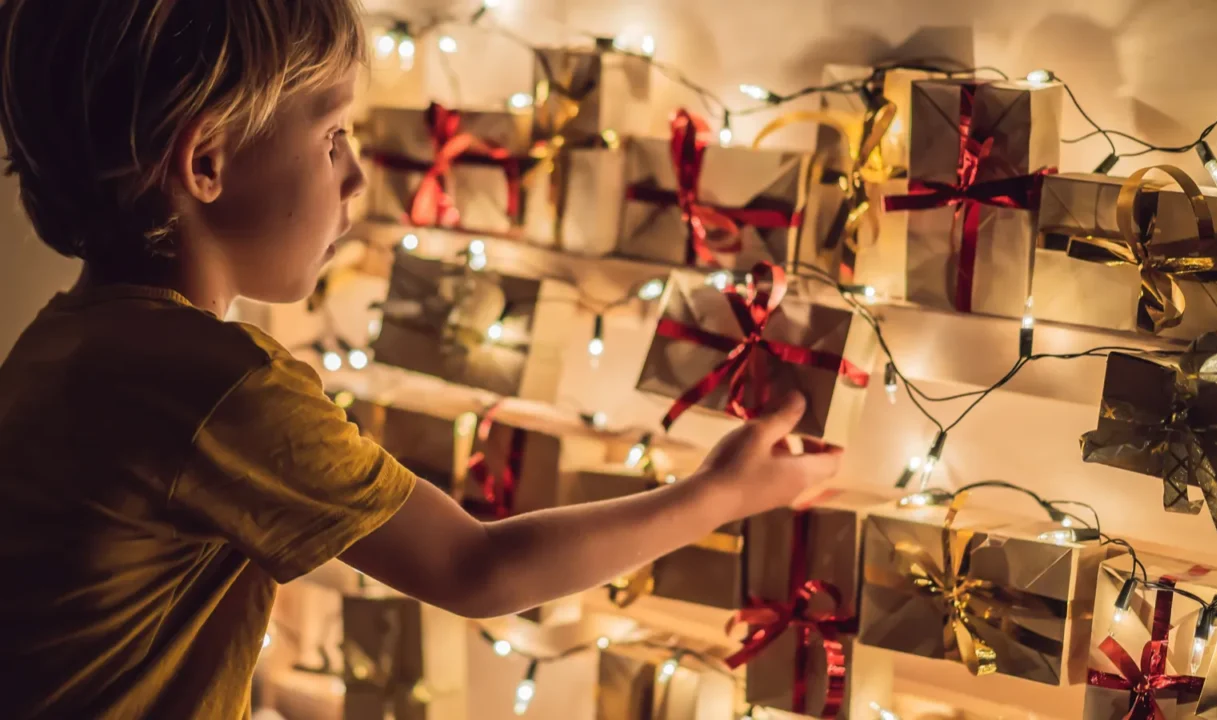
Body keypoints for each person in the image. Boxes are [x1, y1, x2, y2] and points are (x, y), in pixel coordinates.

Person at [0, 1, 843, 718]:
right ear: (207, 160)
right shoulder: (217, 385)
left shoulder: (61, 342)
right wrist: (722, 493)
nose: (358, 177)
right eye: (332, 137)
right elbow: (479, 568)